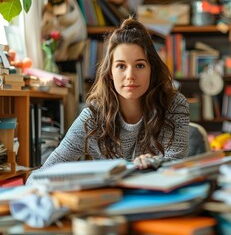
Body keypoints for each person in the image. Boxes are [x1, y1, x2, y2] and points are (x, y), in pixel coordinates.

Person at [26, 18, 190, 184]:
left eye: (140, 65)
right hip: (109, 202)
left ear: (151, 70)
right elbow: (38, 177)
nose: (130, 75)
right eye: (121, 66)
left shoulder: (174, 105)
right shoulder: (93, 116)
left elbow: (176, 170)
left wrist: (153, 166)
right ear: (110, 72)